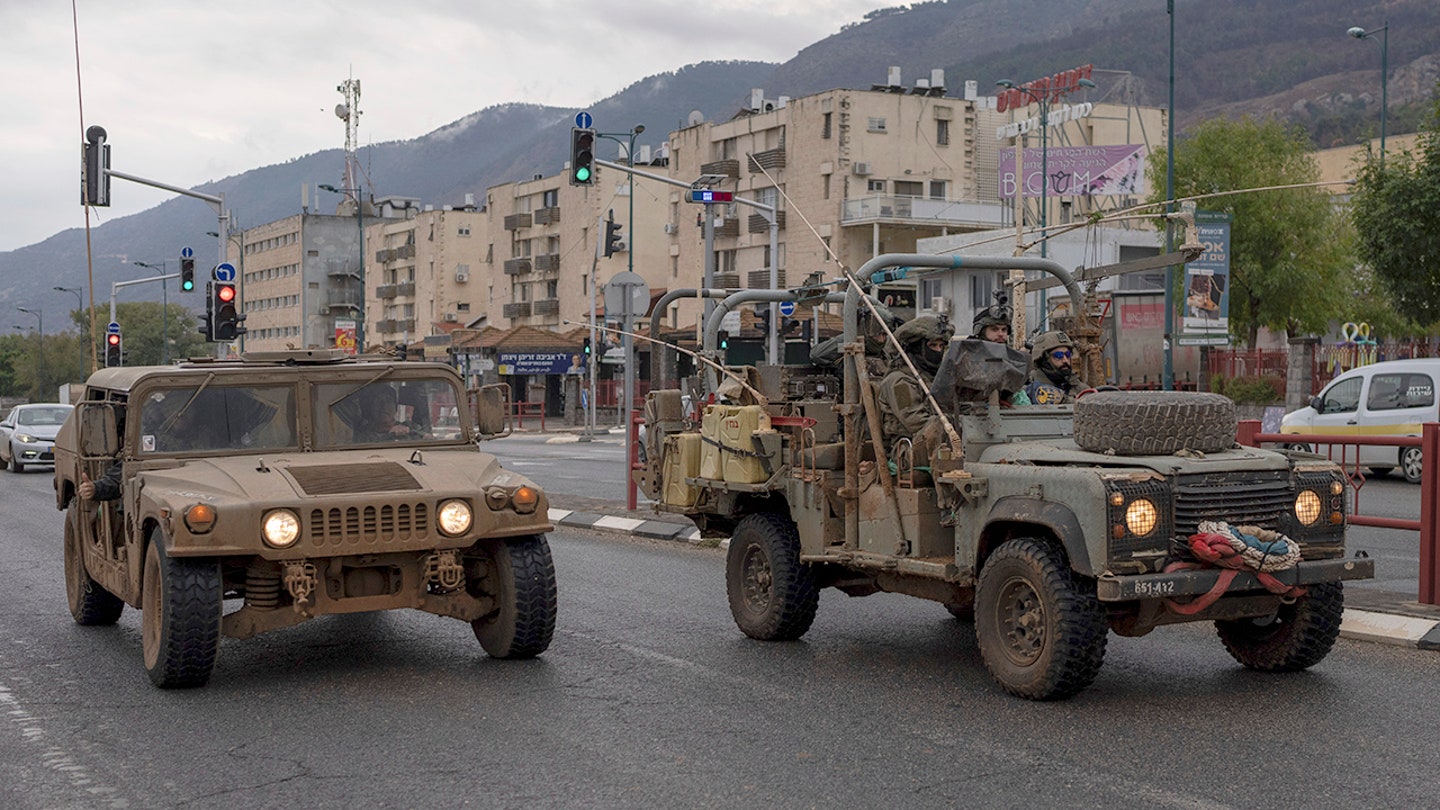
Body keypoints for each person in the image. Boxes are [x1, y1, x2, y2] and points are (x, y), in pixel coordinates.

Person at [876, 314, 953, 464]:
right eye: (932, 346)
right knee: (939, 426)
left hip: (941, 443)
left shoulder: (935, 377)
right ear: (917, 348)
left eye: (941, 346)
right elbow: (916, 422)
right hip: (908, 449)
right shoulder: (898, 382)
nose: (938, 351)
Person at [1026, 330, 1086, 404]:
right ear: (1043, 360)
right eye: (1058, 356)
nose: (1065, 360)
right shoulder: (1027, 392)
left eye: (1068, 354)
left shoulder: (1080, 389)